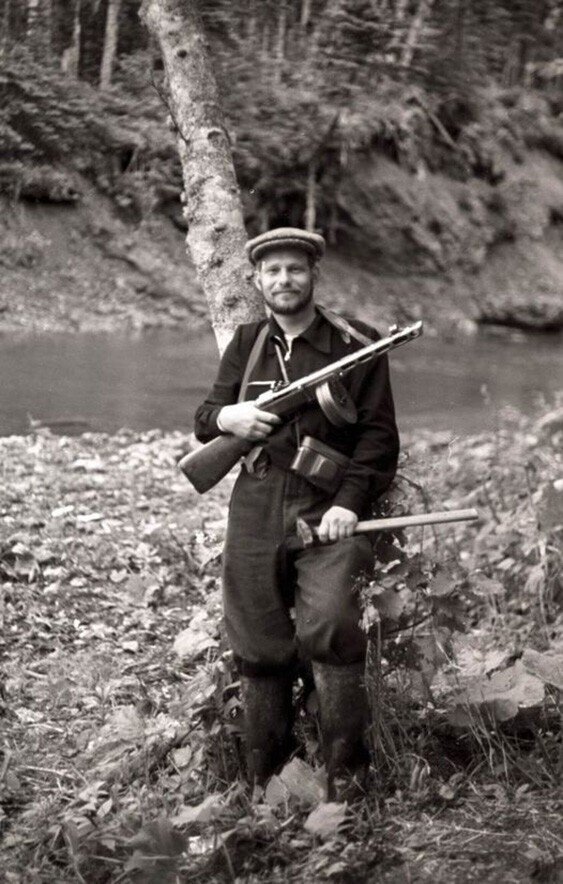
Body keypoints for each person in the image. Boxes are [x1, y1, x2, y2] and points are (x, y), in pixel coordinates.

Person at [194, 227, 399, 799]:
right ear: (257, 281)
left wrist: (347, 506)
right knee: (257, 641)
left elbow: (379, 440)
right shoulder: (248, 342)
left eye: (295, 269)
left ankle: (347, 784)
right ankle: (266, 785)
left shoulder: (357, 342)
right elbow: (206, 414)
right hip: (256, 502)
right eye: (272, 272)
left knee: (331, 626)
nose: (284, 280)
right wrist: (227, 420)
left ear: (313, 275)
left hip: (327, 506)